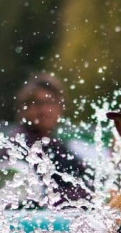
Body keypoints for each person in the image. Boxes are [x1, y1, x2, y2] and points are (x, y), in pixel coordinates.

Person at [9, 72, 91, 205]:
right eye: (39, 103)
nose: (45, 110)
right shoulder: (18, 146)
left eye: (51, 103)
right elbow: (38, 197)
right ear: (25, 108)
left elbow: (85, 177)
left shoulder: (55, 146)